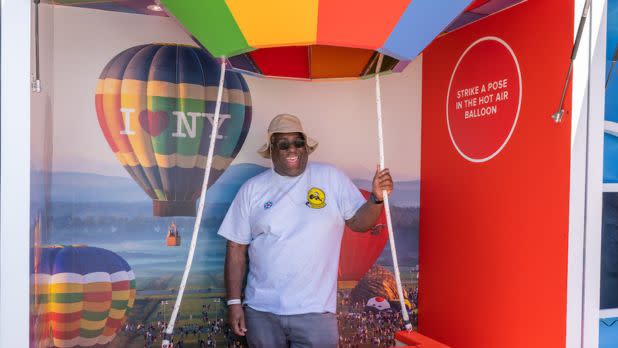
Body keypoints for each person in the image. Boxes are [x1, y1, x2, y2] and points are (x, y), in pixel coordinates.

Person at [218, 113, 393, 348]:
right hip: (262, 311)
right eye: (283, 144)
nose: (292, 149)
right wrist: (233, 303)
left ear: (306, 147)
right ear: (271, 150)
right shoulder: (252, 189)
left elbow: (360, 223)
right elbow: (236, 247)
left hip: (316, 312)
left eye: (298, 142)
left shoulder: (331, 178)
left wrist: (376, 199)